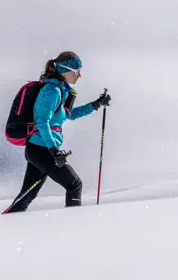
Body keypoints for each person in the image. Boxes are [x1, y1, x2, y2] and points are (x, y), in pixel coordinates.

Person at [6, 52, 110, 212]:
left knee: (27, 195)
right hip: (42, 149)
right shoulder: (52, 91)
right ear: (64, 70)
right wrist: (54, 151)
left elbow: (70, 114)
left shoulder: (60, 91)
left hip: (39, 149)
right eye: (76, 71)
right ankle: (73, 226)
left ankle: (7, 227)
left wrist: (96, 104)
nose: (79, 75)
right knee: (74, 184)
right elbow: (42, 122)